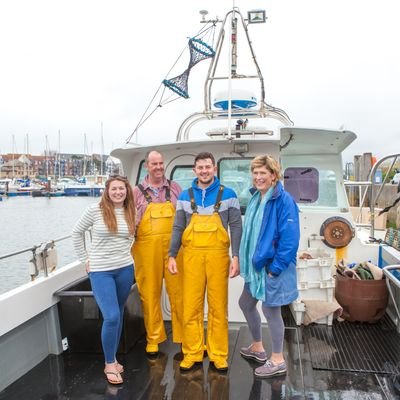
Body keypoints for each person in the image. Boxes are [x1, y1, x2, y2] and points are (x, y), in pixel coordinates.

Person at [167, 152, 242, 371]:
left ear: (214, 169)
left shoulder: (229, 194)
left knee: (218, 307)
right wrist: (172, 255)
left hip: (218, 257)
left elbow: (236, 227)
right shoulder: (183, 197)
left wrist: (235, 256)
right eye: (200, 168)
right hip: (190, 257)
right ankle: (193, 352)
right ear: (194, 170)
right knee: (191, 306)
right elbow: (178, 227)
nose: (204, 171)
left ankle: (219, 353)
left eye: (208, 167)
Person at [238, 154, 300, 378]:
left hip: (272, 266)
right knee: (245, 303)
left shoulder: (284, 201)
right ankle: (257, 346)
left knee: (270, 310)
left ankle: (277, 359)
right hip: (256, 267)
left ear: (274, 175)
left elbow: (290, 240)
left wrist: (276, 268)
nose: (258, 177)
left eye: (263, 173)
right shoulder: (256, 197)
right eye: (255, 173)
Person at [72, 175, 136, 385]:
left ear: (127, 191)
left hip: (125, 269)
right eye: (114, 189)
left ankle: (114, 358)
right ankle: (109, 363)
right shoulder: (95, 210)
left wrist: (126, 254)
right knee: (111, 316)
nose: (118, 192)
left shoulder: (130, 211)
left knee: (117, 314)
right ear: (107, 191)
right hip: (101, 271)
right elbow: (76, 233)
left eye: (122, 189)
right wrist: (85, 259)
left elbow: (131, 237)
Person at [132, 150, 183, 356]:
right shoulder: (136, 192)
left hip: (174, 250)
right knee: (149, 294)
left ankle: (183, 336)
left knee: (179, 294)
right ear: (147, 166)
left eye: (161, 163)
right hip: (146, 250)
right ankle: (154, 338)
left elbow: (184, 218)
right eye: (154, 164)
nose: (159, 167)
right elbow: (129, 221)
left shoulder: (175, 188)